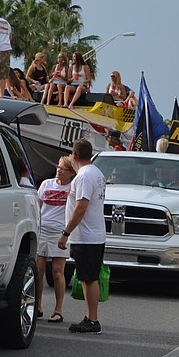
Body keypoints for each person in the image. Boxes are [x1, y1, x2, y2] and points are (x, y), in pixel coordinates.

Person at [58, 138, 107, 334]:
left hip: (87, 235)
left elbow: (81, 206)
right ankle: (90, 317)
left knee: (89, 278)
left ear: (75, 155)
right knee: (88, 277)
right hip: (92, 233)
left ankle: (93, 319)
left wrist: (66, 232)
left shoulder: (84, 176)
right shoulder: (96, 173)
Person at [36, 156, 76, 323]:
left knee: (57, 272)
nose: (59, 170)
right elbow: (37, 205)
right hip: (42, 229)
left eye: (63, 169)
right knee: (38, 271)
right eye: (58, 167)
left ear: (71, 173)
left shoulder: (72, 188)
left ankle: (58, 309)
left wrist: (67, 233)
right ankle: (37, 305)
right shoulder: (46, 184)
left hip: (60, 231)